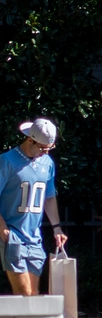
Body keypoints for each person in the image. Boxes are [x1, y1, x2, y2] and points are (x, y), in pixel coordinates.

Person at [0, 119, 63, 296]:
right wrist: (3, 230)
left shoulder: (47, 163)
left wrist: (57, 228)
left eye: (49, 148)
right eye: (43, 148)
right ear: (30, 140)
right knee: (24, 293)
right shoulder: (6, 161)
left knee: (33, 294)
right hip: (13, 235)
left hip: (35, 239)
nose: (46, 152)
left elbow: (49, 197)